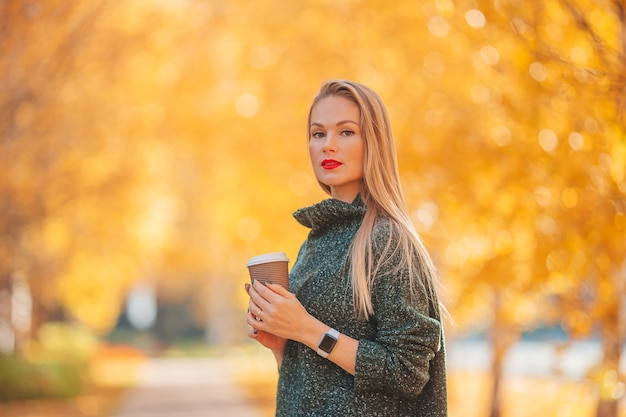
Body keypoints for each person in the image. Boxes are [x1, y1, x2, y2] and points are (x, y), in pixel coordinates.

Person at [245, 79, 447, 416]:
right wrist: (283, 346)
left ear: (375, 143)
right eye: (318, 133)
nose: (328, 146)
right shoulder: (316, 241)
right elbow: (320, 383)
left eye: (347, 132)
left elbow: (408, 371)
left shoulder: (387, 240)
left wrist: (307, 329)